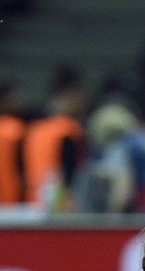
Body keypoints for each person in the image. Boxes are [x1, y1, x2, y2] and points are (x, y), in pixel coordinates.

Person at [22, 64, 89, 211]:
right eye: (79, 96)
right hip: (61, 207)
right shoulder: (69, 130)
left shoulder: (33, 129)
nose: (83, 101)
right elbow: (72, 174)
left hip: (33, 204)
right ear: (68, 95)